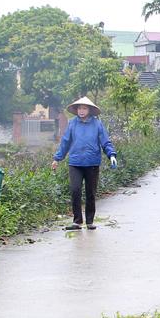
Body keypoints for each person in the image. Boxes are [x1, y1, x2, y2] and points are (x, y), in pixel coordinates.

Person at [51, 96, 117, 231]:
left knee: (90, 192)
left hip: (92, 163)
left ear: (90, 110)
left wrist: (111, 155)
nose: (81, 111)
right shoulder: (72, 124)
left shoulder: (97, 124)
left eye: (84, 108)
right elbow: (65, 142)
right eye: (79, 108)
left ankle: (90, 221)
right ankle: (77, 222)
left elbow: (105, 142)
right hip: (75, 163)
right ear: (76, 110)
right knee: (75, 190)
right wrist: (57, 158)